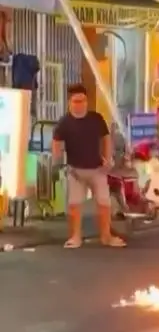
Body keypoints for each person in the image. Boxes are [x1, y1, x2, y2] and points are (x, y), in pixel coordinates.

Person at [51, 84, 125, 248]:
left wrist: (108, 158)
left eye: (82, 101)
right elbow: (56, 142)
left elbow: (106, 137)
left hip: (97, 169)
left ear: (87, 101)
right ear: (69, 102)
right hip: (75, 171)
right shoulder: (64, 122)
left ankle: (106, 236)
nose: (79, 104)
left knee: (104, 203)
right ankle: (75, 237)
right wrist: (58, 161)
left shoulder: (96, 119)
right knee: (75, 204)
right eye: (76, 101)